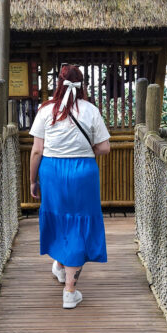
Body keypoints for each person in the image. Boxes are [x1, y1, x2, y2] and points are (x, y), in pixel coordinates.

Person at [29, 64, 111, 309]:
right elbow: (105, 147)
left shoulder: (45, 110)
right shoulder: (90, 110)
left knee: (59, 218)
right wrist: (87, 151)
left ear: (59, 84)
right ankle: (69, 287)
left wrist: (33, 180)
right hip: (83, 172)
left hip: (52, 171)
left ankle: (67, 282)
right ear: (82, 84)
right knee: (78, 221)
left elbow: (36, 151)